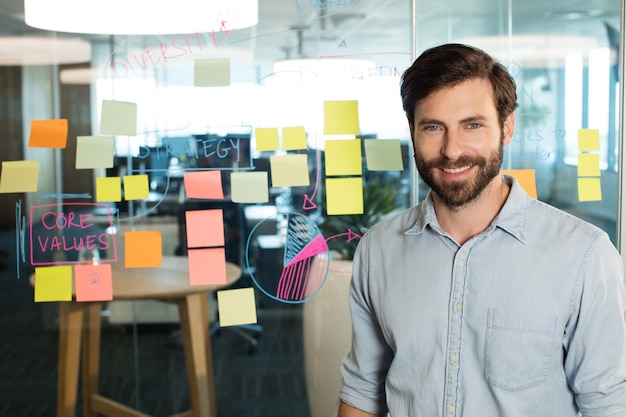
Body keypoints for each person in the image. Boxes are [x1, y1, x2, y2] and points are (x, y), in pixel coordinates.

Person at [337, 43, 626, 417]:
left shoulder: (584, 256)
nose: (452, 150)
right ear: (412, 132)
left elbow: (609, 405)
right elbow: (363, 393)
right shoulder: (378, 251)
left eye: (472, 125)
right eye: (433, 127)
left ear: (506, 128)